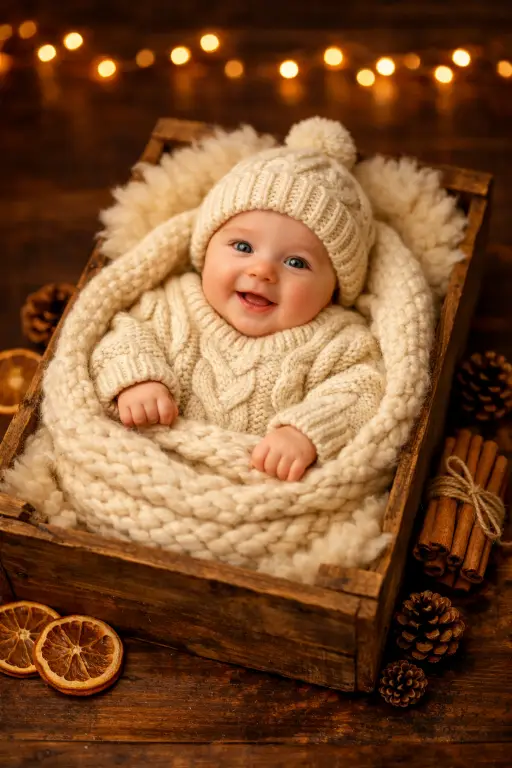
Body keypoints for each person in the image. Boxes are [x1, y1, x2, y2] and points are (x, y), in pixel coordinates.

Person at [90, 117, 385, 483]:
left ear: (335, 288)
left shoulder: (340, 339)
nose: (262, 271)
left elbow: (363, 389)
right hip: (145, 472)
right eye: (242, 246)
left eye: (296, 262)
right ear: (204, 250)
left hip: (255, 493)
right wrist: (136, 379)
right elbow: (122, 332)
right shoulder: (173, 301)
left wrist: (303, 431)